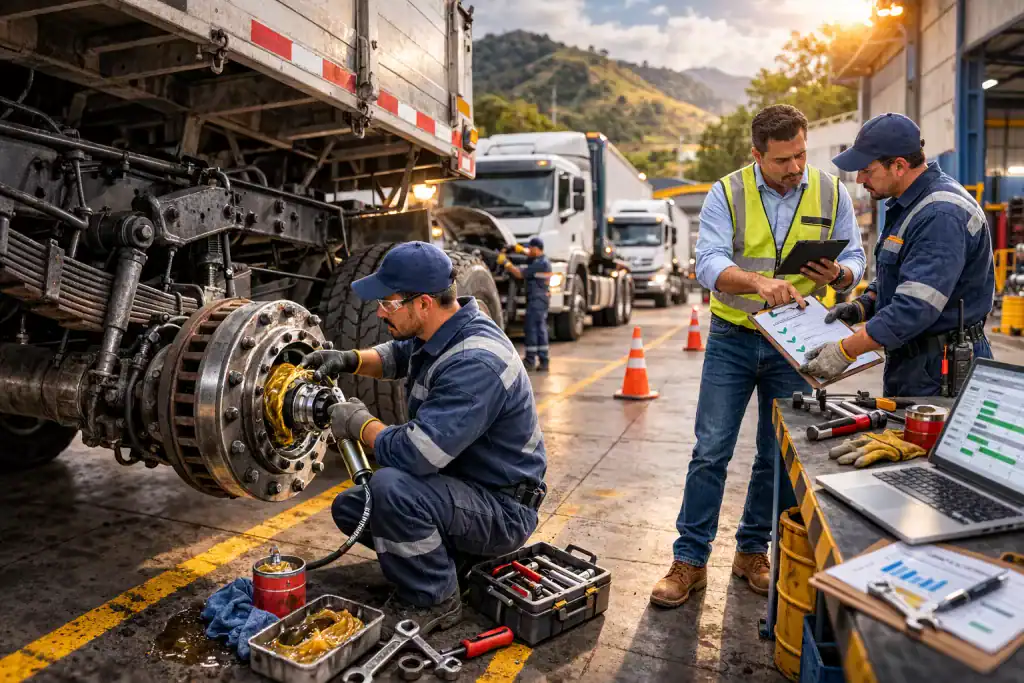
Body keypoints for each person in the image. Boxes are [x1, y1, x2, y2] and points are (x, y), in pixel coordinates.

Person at [650, 104, 865, 608]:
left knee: (777, 455)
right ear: (757, 155)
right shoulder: (727, 192)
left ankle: (752, 550)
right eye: (784, 160)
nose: (796, 168)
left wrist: (840, 276)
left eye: (802, 155)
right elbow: (708, 262)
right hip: (735, 335)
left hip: (798, 341)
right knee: (711, 450)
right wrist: (756, 282)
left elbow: (856, 257)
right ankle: (690, 560)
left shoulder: (832, 191)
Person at [301, 241, 547, 637]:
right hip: (468, 486)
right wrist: (349, 359)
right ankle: (452, 561)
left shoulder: (475, 363)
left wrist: (359, 423)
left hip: (502, 507)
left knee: (389, 488)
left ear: (424, 304)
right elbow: (399, 353)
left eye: (389, 303)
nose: (380, 311)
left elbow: (417, 454)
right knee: (353, 507)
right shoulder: (446, 328)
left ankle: (434, 598)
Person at [800, 113, 994, 396]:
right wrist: (862, 307)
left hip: (944, 369)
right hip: (917, 360)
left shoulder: (940, 215)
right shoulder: (911, 205)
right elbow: (900, 278)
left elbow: (914, 307)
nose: (860, 179)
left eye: (867, 170)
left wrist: (844, 351)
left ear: (900, 166)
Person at [502, 237, 551, 371]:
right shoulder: (541, 261)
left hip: (537, 300)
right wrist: (517, 248)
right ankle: (543, 360)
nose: (528, 251)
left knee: (532, 329)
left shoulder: (541, 263)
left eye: (530, 248)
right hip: (539, 300)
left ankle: (530, 360)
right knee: (539, 329)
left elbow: (519, 274)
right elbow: (526, 258)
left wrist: (506, 263)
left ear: (536, 249)